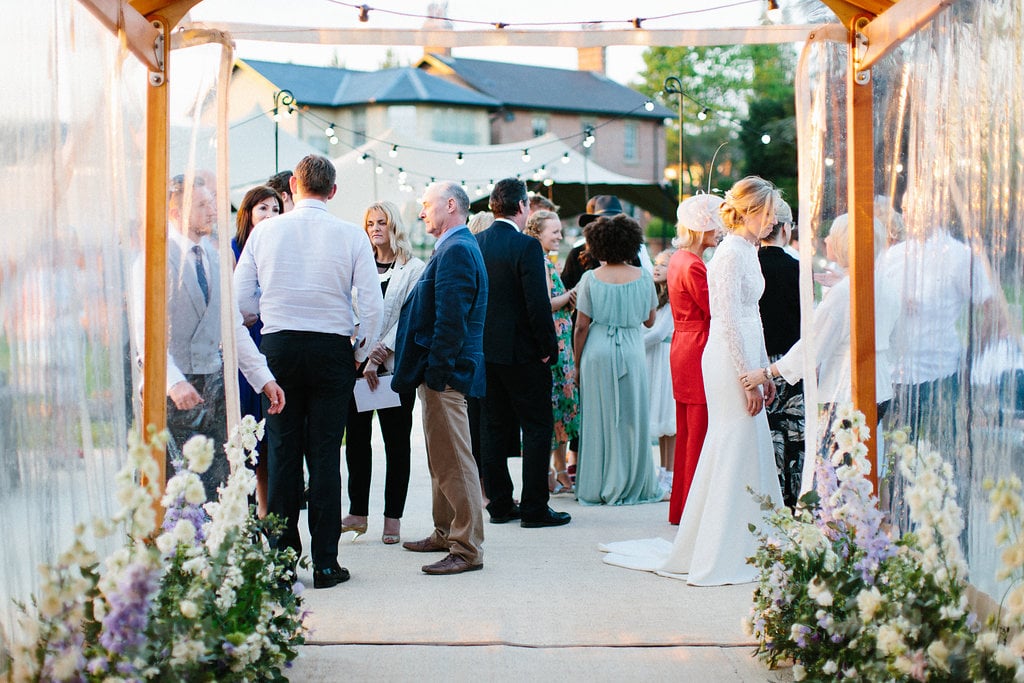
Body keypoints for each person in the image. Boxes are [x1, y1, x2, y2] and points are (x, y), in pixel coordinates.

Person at [602, 176, 784, 584]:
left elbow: (751, 317)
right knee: (732, 444)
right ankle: (720, 543)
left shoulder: (746, 251)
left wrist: (762, 369)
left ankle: (747, 538)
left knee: (748, 447)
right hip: (724, 358)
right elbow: (725, 321)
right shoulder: (730, 255)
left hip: (746, 357)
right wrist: (746, 376)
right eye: (769, 213)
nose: (773, 222)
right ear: (751, 212)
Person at [234, 154, 383, 589]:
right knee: (324, 457)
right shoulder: (351, 236)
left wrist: (266, 319)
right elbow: (370, 305)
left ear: (293, 186)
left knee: (281, 455)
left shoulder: (265, 232)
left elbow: (242, 300)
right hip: (331, 351)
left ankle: (283, 562)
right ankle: (325, 563)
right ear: (333, 191)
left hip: (278, 349)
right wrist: (360, 352)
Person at [135, 174, 285, 502]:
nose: (212, 211)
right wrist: (173, 382)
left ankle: (210, 552)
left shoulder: (216, 259)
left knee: (213, 486)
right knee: (171, 489)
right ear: (175, 213)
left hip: (213, 391)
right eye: (202, 205)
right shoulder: (153, 260)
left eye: (211, 203)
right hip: (170, 395)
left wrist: (263, 379)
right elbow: (145, 332)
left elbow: (231, 327)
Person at [743, 213, 897, 463]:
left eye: (832, 236)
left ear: (844, 244)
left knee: (840, 467)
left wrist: (767, 372)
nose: (826, 239)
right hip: (879, 383)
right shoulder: (882, 285)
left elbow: (814, 345)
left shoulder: (844, 293)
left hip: (846, 387)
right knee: (863, 462)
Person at [391, 181, 487, 575]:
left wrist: (437, 373)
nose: (421, 213)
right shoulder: (454, 246)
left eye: (427, 205)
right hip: (442, 372)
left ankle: (465, 548)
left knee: (454, 461)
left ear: (450, 205)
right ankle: (445, 531)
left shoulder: (458, 249)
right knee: (441, 458)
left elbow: (452, 320)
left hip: (446, 374)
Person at [476, 178, 569, 528]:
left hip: (486, 353)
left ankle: (499, 505)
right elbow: (537, 305)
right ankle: (533, 508)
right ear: (522, 207)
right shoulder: (527, 247)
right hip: (524, 355)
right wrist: (548, 349)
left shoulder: (476, 243)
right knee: (536, 427)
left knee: (493, 428)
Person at [341, 201, 426, 545]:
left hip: (393, 369)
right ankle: (358, 512)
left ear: (395, 227)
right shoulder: (357, 265)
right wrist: (359, 354)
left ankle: (393, 518)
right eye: (370, 223)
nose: (375, 228)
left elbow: (410, 316)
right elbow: (347, 308)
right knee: (357, 444)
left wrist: (379, 354)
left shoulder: (413, 267)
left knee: (396, 444)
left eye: (382, 222)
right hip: (357, 368)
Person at [573, 214, 663, 506]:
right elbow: (650, 321)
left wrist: (576, 363)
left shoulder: (589, 279)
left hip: (597, 351)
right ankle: (633, 482)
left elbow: (581, 326)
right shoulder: (644, 278)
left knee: (598, 418)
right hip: (631, 350)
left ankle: (598, 483)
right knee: (631, 418)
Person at [665, 194, 721, 525]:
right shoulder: (695, 265)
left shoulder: (678, 259)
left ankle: (682, 507)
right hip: (698, 344)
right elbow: (713, 308)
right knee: (697, 428)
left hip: (682, 343)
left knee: (688, 427)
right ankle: (692, 509)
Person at [231, 184, 283, 517]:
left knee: (266, 438)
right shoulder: (233, 249)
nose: (270, 215)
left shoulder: (280, 248)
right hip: (240, 345)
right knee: (241, 431)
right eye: (263, 208)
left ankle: (266, 513)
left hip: (269, 342)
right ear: (248, 213)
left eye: (276, 209)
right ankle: (239, 510)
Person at [522, 209, 578, 495]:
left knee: (561, 413)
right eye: (554, 231)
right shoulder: (540, 262)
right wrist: (569, 296)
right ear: (538, 232)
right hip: (552, 346)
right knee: (555, 410)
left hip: (560, 344)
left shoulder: (545, 259)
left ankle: (557, 471)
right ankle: (549, 473)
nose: (559, 236)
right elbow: (544, 303)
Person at [756, 195, 804, 508]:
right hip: (789, 360)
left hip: (758, 359)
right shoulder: (796, 268)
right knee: (793, 432)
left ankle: (765, 492)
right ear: (784, 228)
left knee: (764, 430)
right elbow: (804, 318)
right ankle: (793, 495)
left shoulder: (751, 265)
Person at [645, 249, 676, 492]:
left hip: (665, 357)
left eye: (663, 265)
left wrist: (633, 340)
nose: (657, 268)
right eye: (656, 263)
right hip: (655, 357)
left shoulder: (674, 298)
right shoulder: (659, 297)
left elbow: (657, 333)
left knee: (668, 417)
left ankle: (671, 472)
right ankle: (664, 470)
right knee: (661, 421)